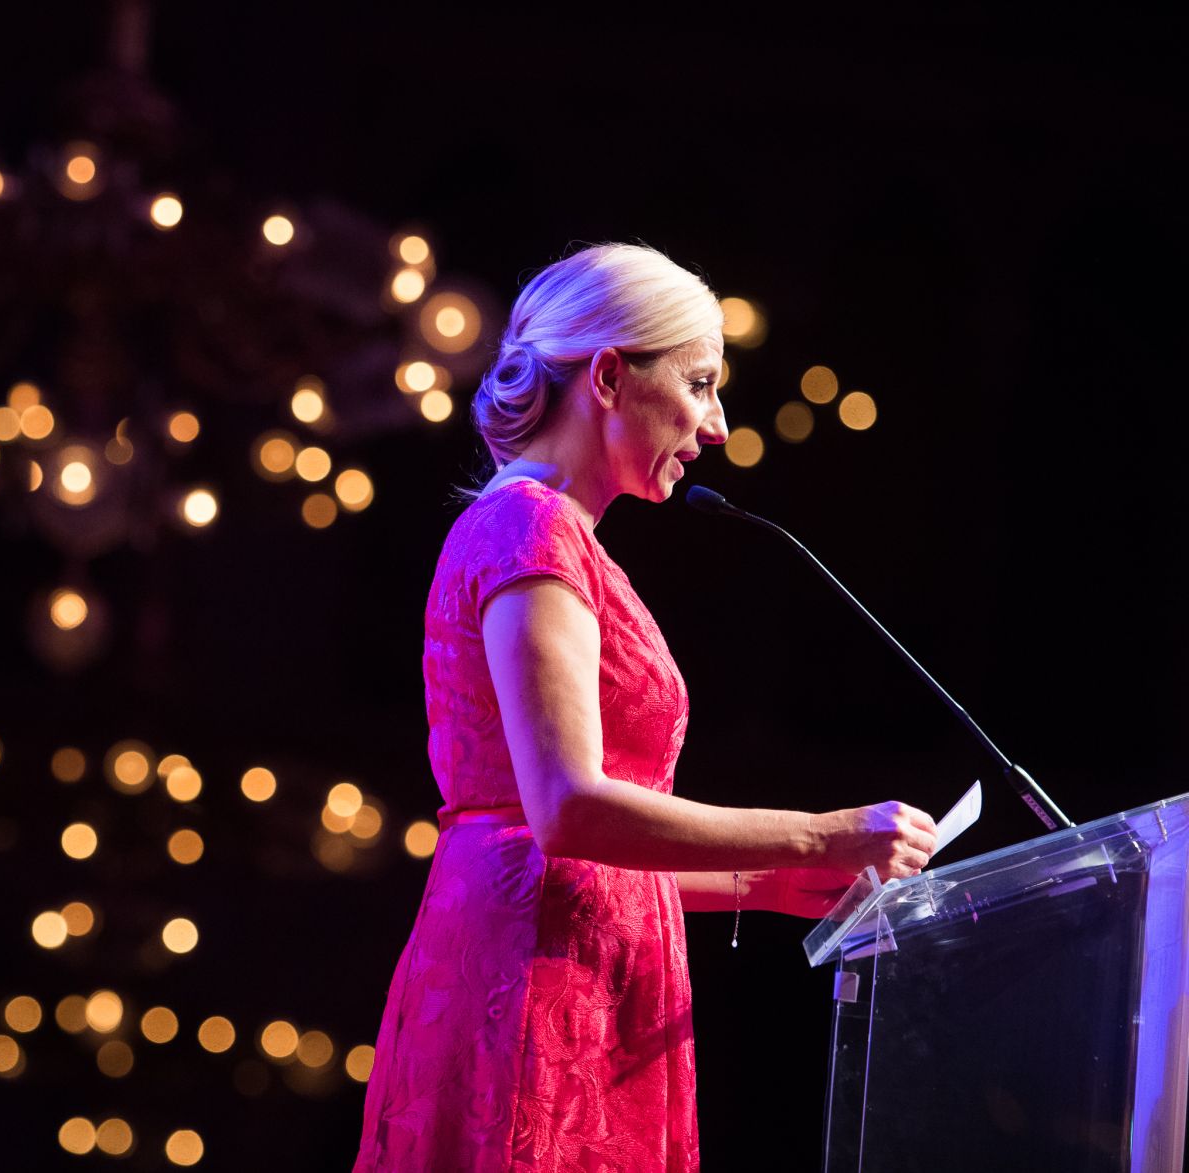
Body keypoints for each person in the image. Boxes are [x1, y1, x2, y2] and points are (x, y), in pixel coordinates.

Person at [351, 242, 938, 1172]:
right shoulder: (530, 526)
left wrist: (768, 884)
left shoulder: (561, 537)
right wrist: (821, 835)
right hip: (530, 984)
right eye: (700, 384)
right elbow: (566, 809)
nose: (717, 426)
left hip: (573, 966)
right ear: (610, 376)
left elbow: (573, 850)